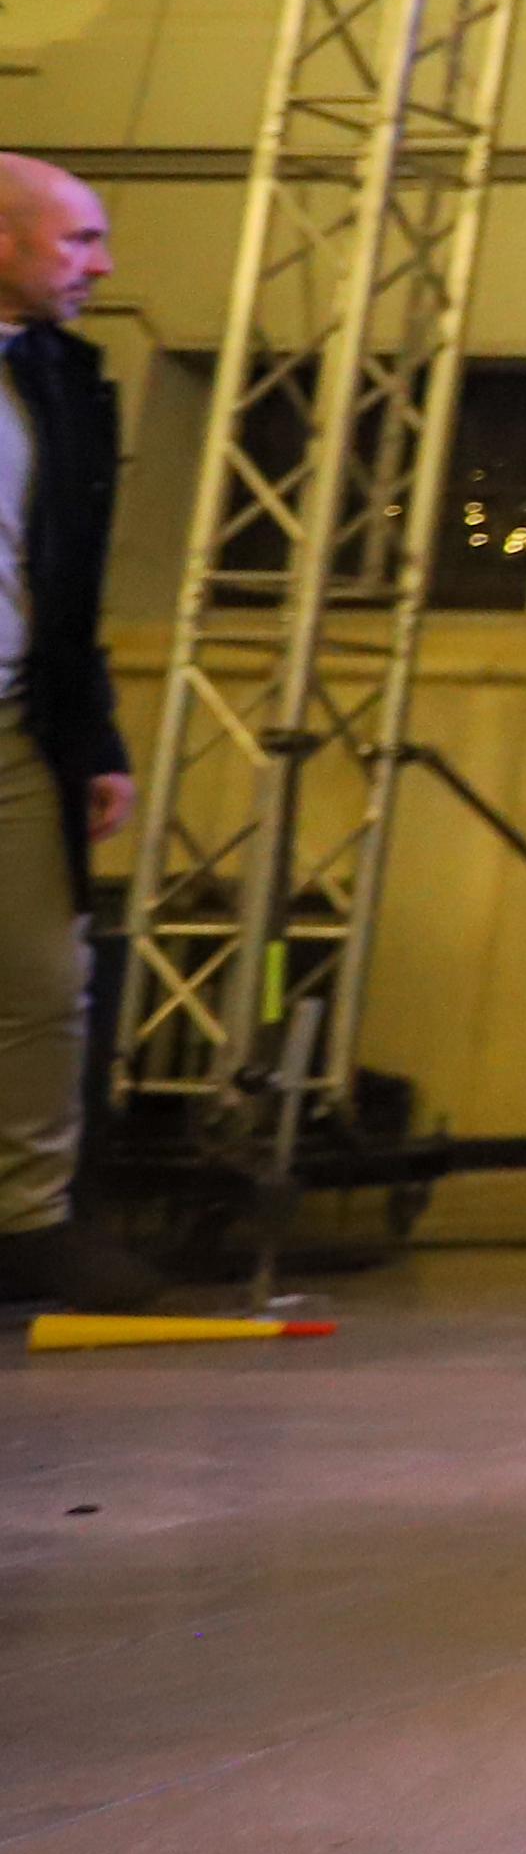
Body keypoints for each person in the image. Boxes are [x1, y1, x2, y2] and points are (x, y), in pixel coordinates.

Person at [0, 156, 147, 1314]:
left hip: (16, 718)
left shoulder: (63, 381)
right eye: (76, 241)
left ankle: (29, 1218)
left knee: (49, 976)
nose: (98, 266)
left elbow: (69, 576)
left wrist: (95, 736)